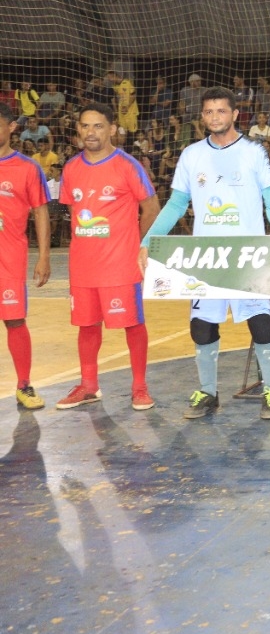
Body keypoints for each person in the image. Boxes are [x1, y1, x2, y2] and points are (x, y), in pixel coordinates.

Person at [140, 88, 270, 420]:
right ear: (202, 116)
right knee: (202, 327)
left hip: (248, 256)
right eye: (209, 112)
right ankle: (209, 393)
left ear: (235, 114)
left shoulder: (254, 152)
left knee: (260, 325)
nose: (215, 117)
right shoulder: (191, 154)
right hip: (206, 258)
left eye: (221, 111)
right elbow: (176, 204)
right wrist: (147, 241)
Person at [57, 103, 159, 410]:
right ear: (78, 129)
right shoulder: (71, 168)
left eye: (98, 126)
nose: (91, 132)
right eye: (85, 126)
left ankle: (140, 388)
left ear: (112, 129)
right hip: (82, 266)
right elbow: (76, 211)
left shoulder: (127, 165)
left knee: (132, 323)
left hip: (120, 266)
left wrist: (138, 245)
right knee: (87, 325)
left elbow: (151, 208)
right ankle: (88, 385)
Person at [0, 103, 51, 410]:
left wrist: (44, 256)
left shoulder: (27, 168)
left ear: (11, 127)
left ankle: (24, 385)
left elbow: (40, 211)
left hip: (9, 259)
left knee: (15, 320)